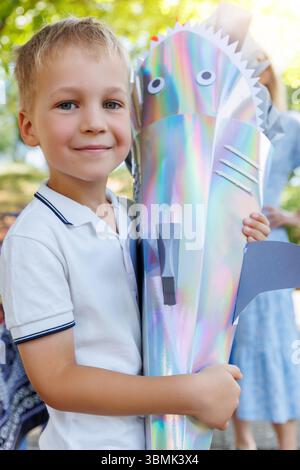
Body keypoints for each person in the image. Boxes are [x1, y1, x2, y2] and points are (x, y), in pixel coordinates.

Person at [0, 17, 270, 450]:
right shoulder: (36, 239)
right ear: (28, 126)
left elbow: (186, 290)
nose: (93, 122)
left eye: (112, 103)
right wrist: (190, 393)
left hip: (166, 442)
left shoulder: (139, 215)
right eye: (68, 104)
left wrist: (238, 239)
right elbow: (58, 379)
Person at [230, 53, 300, 450]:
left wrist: (292, 214)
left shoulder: (289, 127)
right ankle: (243, 442)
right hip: (228, 251)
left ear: (270, 68)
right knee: (236, 344)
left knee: (275, 344)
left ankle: (289, 443)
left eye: (258, 59)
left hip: (270, 249)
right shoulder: (223, 125)